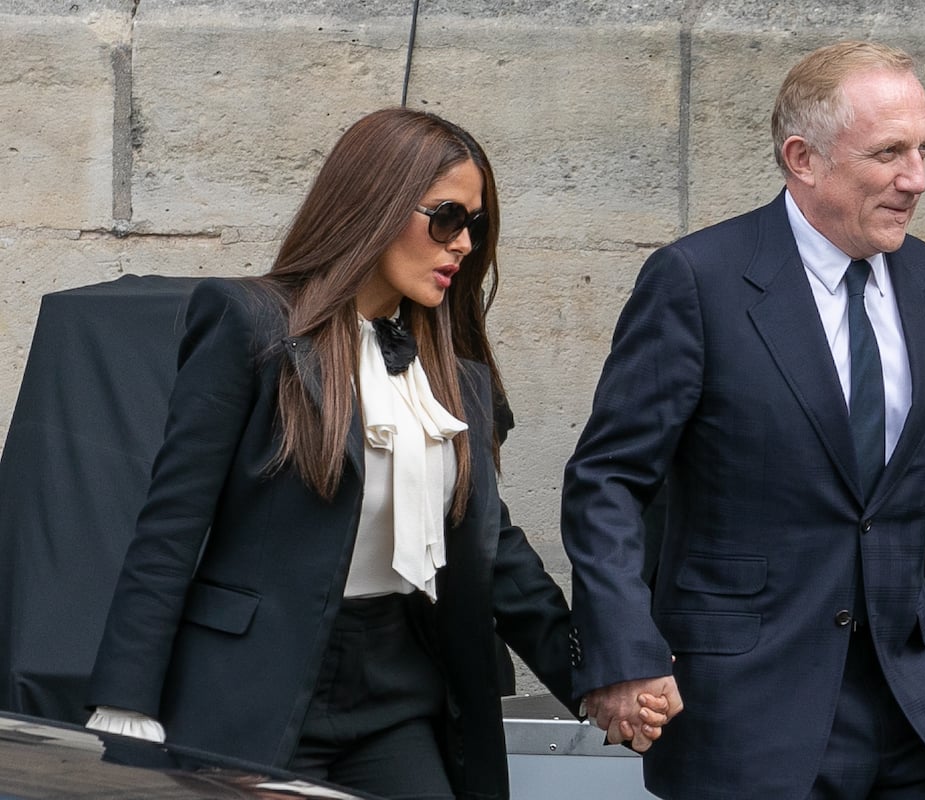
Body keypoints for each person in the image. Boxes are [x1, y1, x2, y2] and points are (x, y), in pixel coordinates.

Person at [84, 108, 665, 800]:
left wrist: (597, 676)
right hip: (255, 693)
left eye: (474, 226)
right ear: (378, 202)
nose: (463, 244)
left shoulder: (454, 373)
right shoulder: (249, 326)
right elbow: (170, 530)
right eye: (447, 218)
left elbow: (494, 551)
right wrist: (126, 702)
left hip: (396, 689)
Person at [562, 41, 925, 798]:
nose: (917, 180)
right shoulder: (698, 280)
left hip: (923, 717)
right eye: (890, 153)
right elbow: (606, 480)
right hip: (751, 715)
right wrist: (624, 653)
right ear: (803, 158)